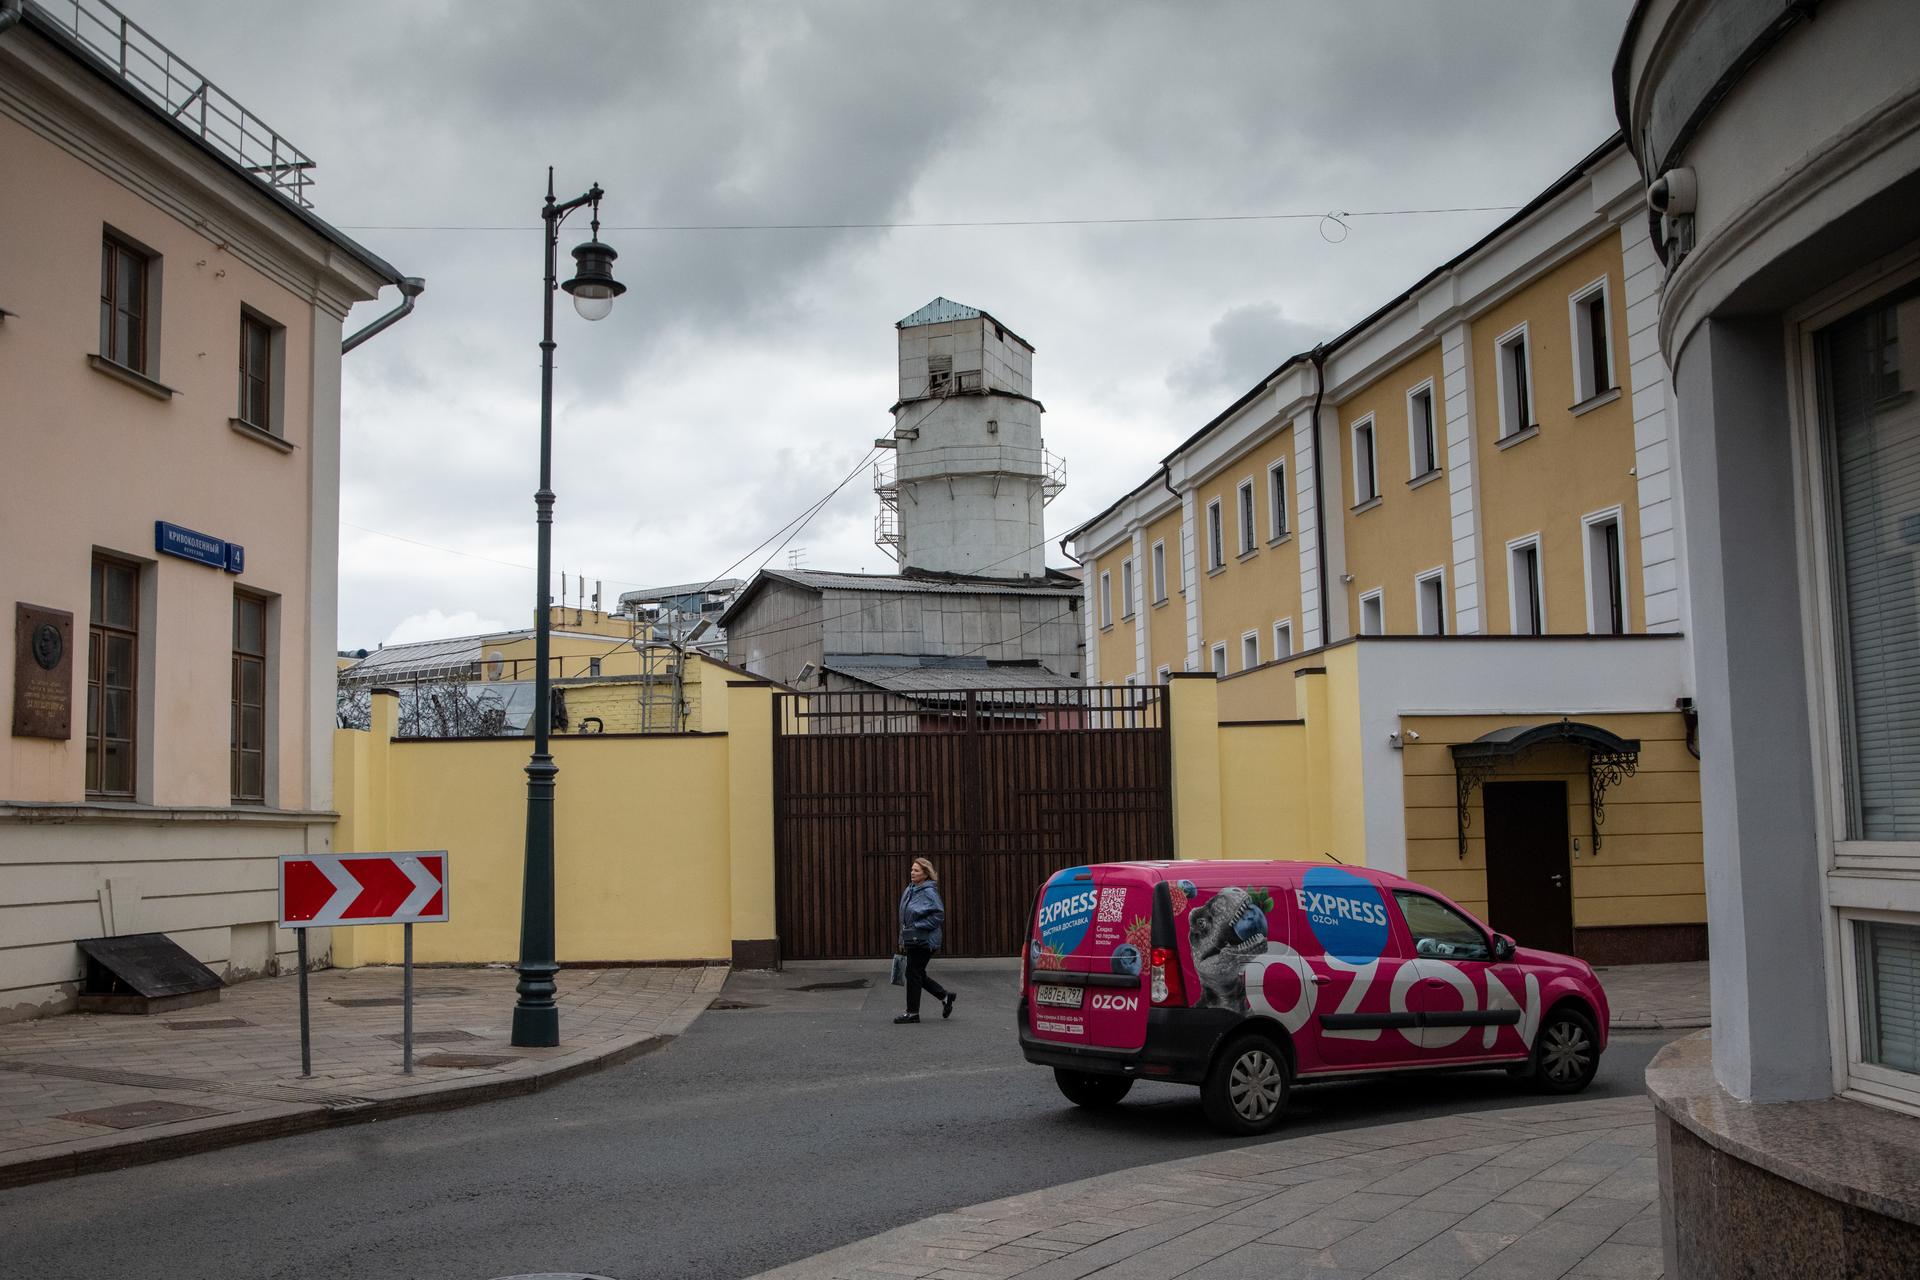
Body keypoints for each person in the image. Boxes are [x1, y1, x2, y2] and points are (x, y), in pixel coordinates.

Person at [895, 857, 955, 1024]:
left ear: (926, 874)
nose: (912, 873)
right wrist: (903, 938)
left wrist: (918, 926)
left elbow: (938, 915)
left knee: (913, 973)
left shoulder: (929, 892)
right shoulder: (911, 889)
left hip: (925, 940)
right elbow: (904, 918)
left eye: (916, 870)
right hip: (912, 939)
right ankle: (945, 996)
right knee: (917, 973)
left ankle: (912, 1013)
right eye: (912, 869)